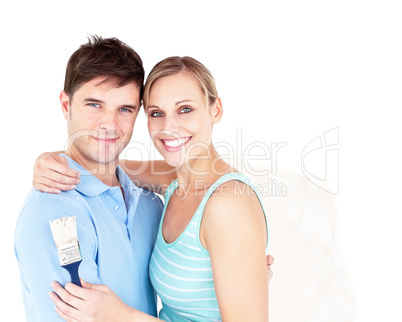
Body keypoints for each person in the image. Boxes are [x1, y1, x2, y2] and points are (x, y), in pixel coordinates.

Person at [37, 56, 271, 321]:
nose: (169, 127)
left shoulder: (228, 204)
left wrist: (121, 316)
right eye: (157, 113)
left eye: (185, 109)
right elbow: (100, 160)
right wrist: (49, 160)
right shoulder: (175, 180)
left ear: (215, 110)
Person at [14, 36, 166, 321]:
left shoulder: (150, 204)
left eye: (124, 109)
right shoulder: (53, 208)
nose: (109, 124)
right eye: (94, 105)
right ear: (66, 104)